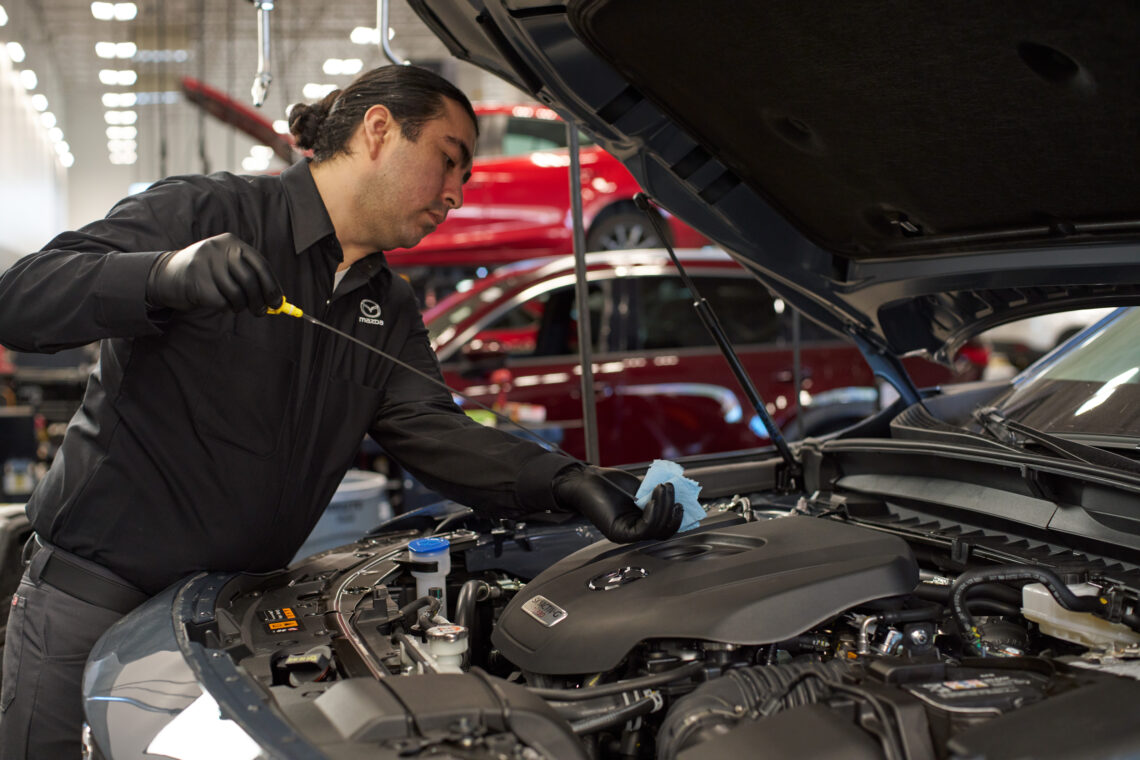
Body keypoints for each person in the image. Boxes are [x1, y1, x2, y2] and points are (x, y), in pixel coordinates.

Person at [0, 64, 681, 759]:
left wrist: (566, 482)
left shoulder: (389, 307)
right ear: (379, 129)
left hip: (225, 626)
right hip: (91, 605)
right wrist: (161, 275)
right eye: (448, 161)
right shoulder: (204, 212)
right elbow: (19, 299)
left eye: (465, 179)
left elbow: (434, 430)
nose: (454, 193)